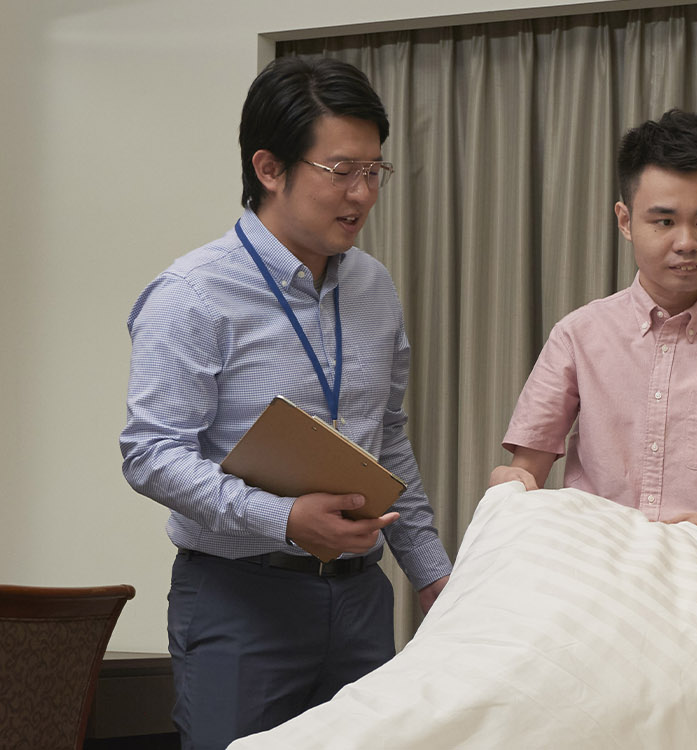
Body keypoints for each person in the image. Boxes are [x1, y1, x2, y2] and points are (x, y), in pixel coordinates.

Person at [120, 56, 451, 748]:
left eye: (374, 171)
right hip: (241, 598)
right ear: (269, 168)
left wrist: (430, 574)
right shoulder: (192, 294)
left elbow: (387, 438)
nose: (362, 194)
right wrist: (286, 519)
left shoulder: (375, 288)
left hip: (362, 598)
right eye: (341, 172)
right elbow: (150, 455)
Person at [490, 109, 697, 550]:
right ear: (625, 220)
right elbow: (525, 471)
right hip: (594, 574)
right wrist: (509, 483)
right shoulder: (577, 335)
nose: (688, 241)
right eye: (665, 221)